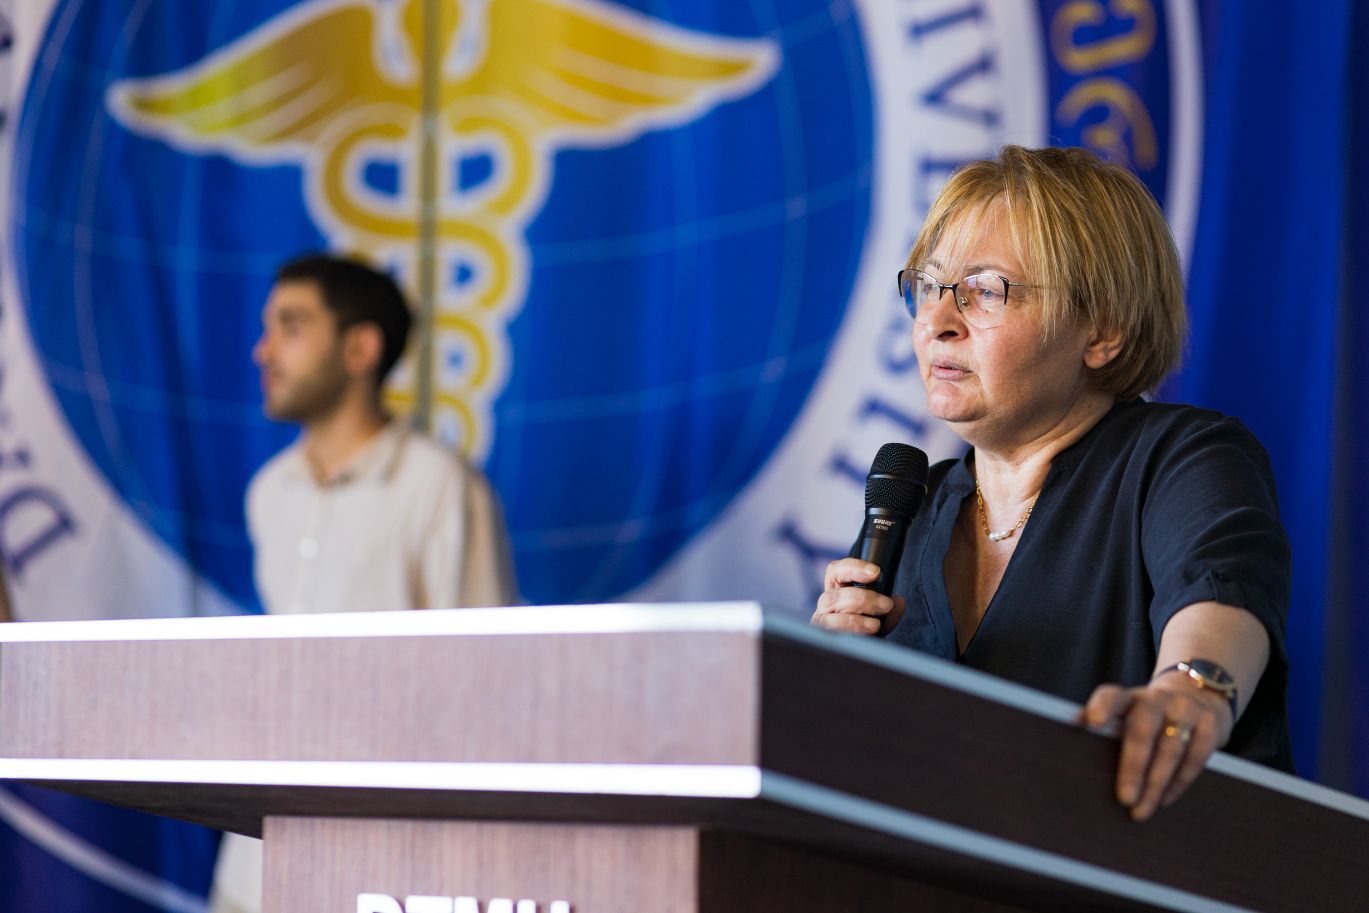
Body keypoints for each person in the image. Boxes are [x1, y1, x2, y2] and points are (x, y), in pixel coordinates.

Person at [811, 146, 1291, 824]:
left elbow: (1219, 595)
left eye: (984, 291)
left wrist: (1190, 691)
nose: (937, 322)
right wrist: (825, 676)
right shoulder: (913, 510)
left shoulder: (1183, 458)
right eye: (929, 286)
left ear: (1102, 331)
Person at [209, 253, 517, 913]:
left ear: (360, 348)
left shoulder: (439, 487)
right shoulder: (269, 491)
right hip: (254, 863)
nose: (264, 350)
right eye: (267, 328)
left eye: (291, 326)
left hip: (382, 870)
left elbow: (488, 688)